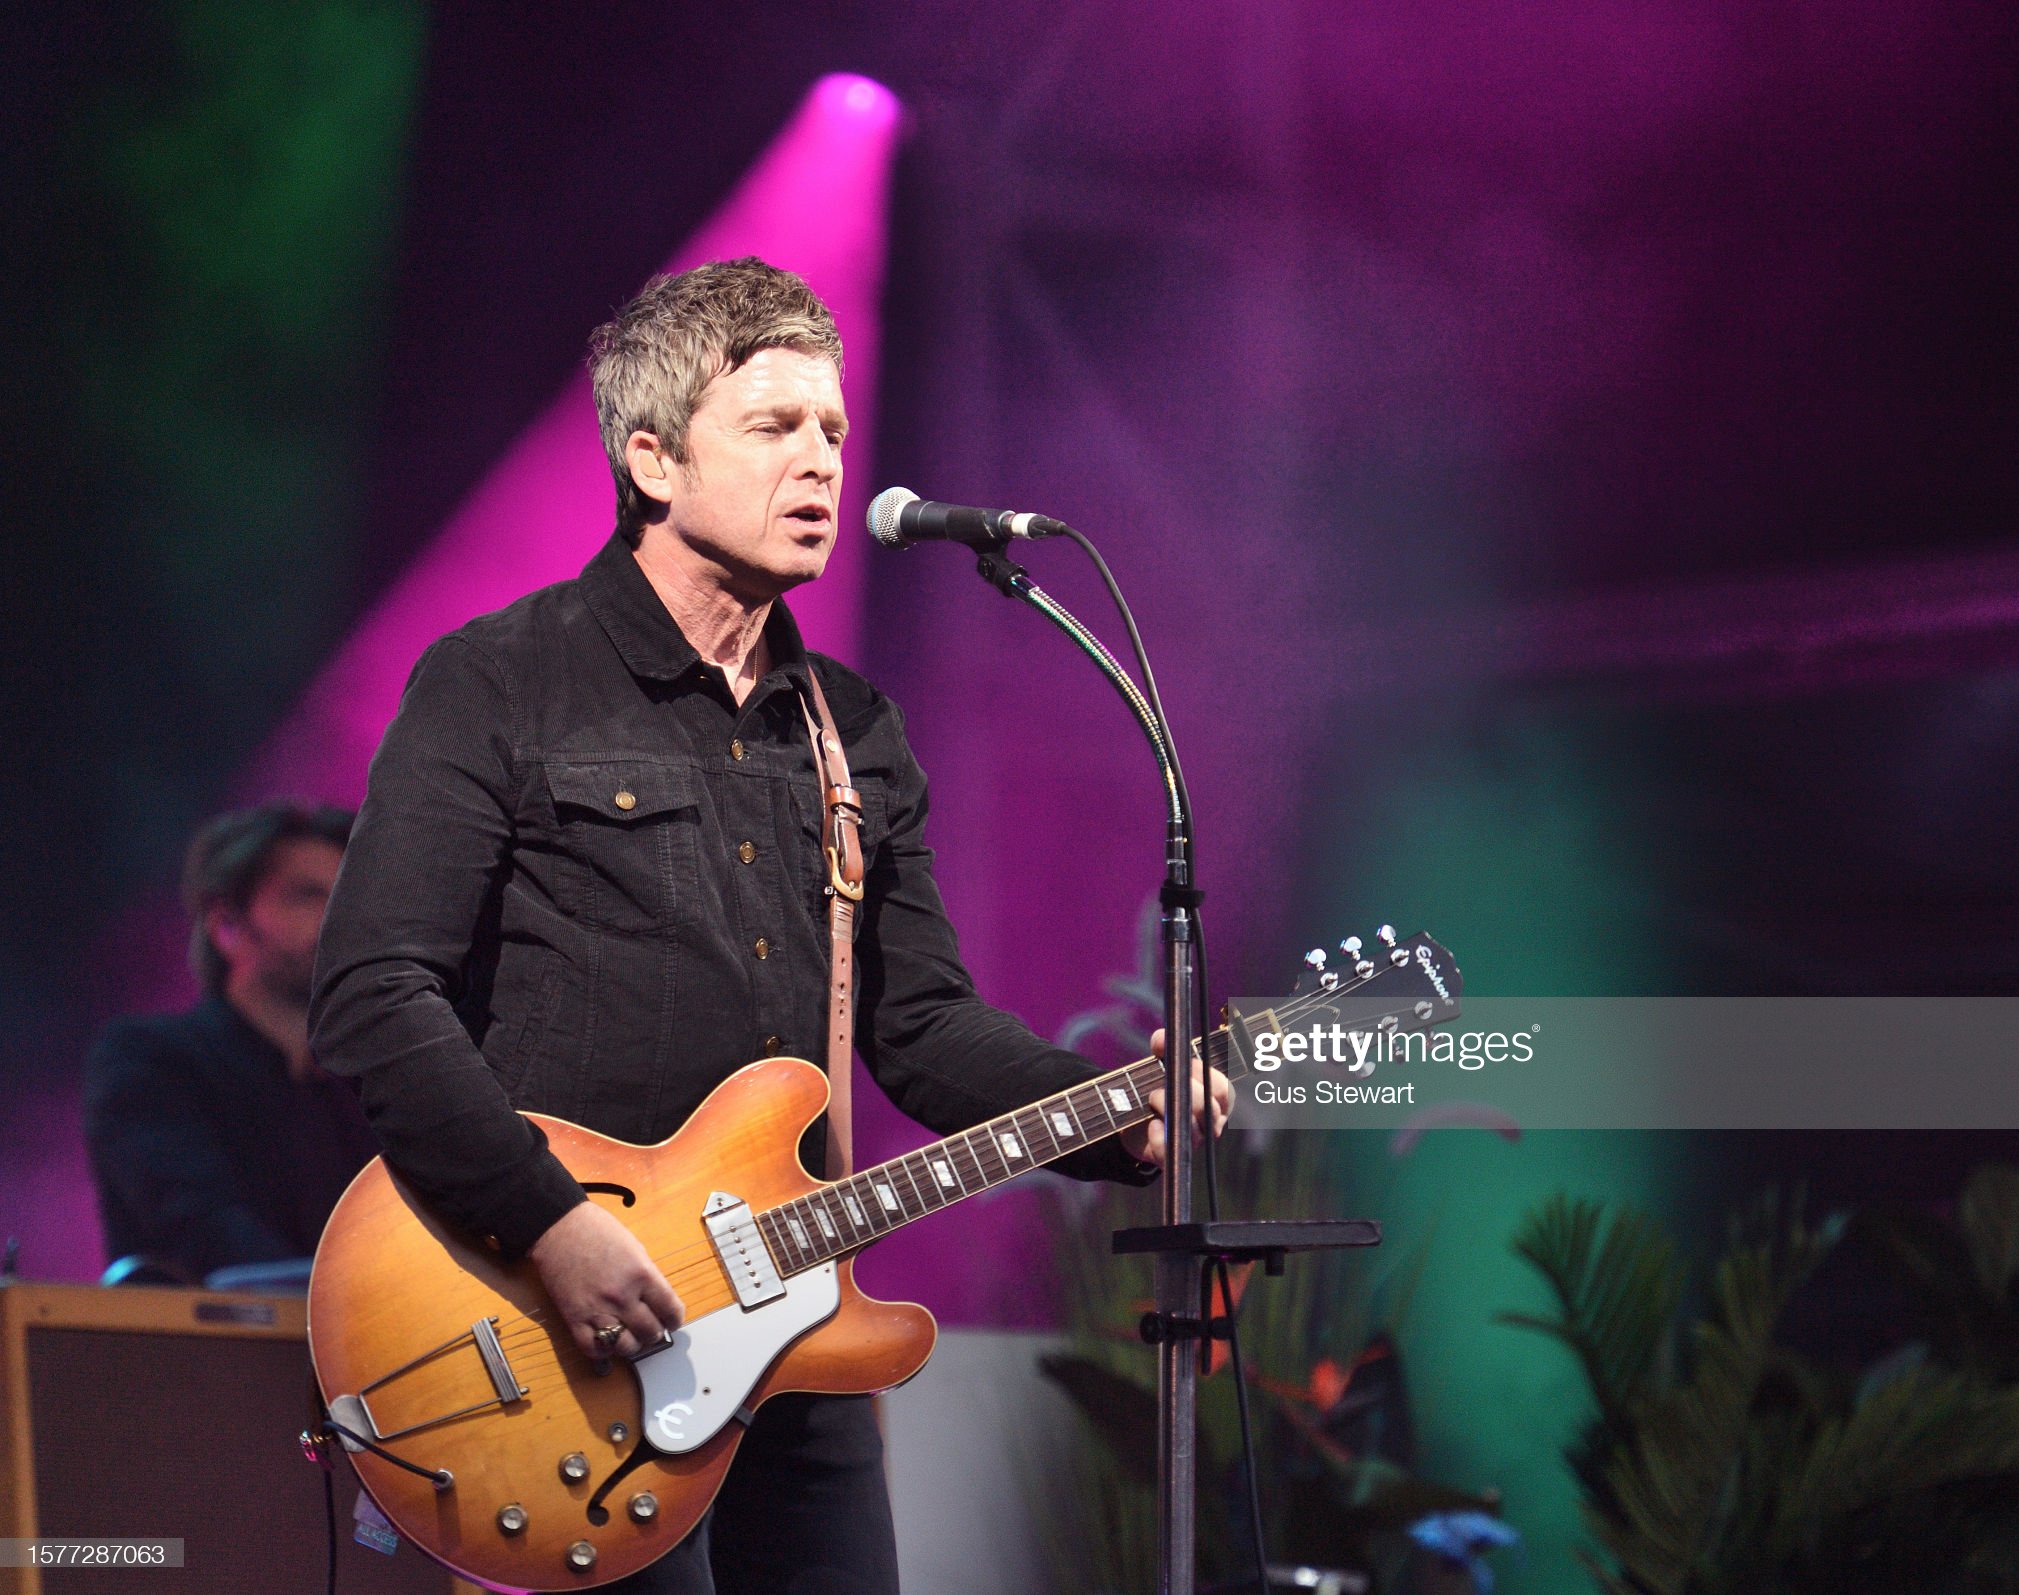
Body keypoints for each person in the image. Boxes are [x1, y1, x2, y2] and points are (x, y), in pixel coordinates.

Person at [308, 257, 1231, 1593]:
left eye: (834, 431)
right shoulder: (499, 679)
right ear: (652, 459)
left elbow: (920, 1021)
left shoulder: (852, 727)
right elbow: (374, 990)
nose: (822, 463)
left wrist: (1113, 1110)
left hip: (795, 1335)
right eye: (773, 426)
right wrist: (549, 1223)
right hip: (566, 1335)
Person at [83, 801, 376, 1284]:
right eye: (307, 896)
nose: (340, 916)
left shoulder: (366, 1087)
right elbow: (202, 1230)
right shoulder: (151, 1059)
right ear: (227, 925)